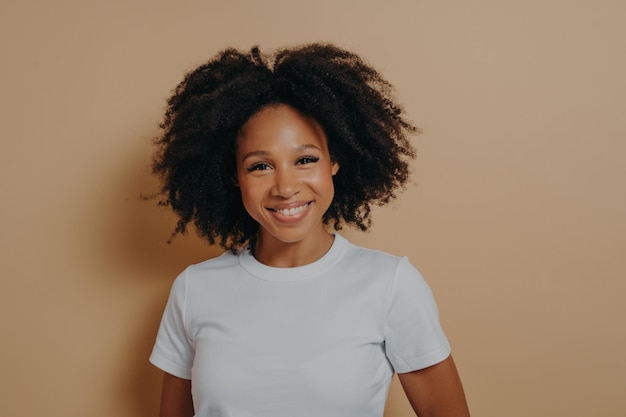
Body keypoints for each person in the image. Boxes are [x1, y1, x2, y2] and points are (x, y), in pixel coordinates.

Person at [149, 43, 470, 417]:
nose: (285, 187)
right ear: (234, 176)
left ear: (334, 161)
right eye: (259, 166)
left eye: (305, 159)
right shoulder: (194, 289)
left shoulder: (391, 284)